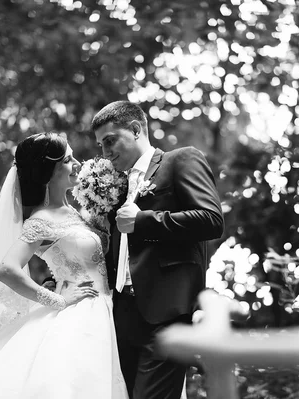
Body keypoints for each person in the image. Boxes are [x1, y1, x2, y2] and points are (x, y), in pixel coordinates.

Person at [0, 132, 128, 399]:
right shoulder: (41, 221)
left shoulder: (76, 211)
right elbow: (7, 270)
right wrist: (56, 299)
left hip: (107, 307)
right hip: (79, 314)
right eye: (68, 160)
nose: (77, 163)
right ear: (49, 173)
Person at [92, 101, 224, 399]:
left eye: (110, 141)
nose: (105, 153)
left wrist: (143, 221)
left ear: (136, 130)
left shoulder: (181, 160)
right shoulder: (116, 186)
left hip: (167, 313)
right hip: (121, 318)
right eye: (101, 145)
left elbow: (212, 220)